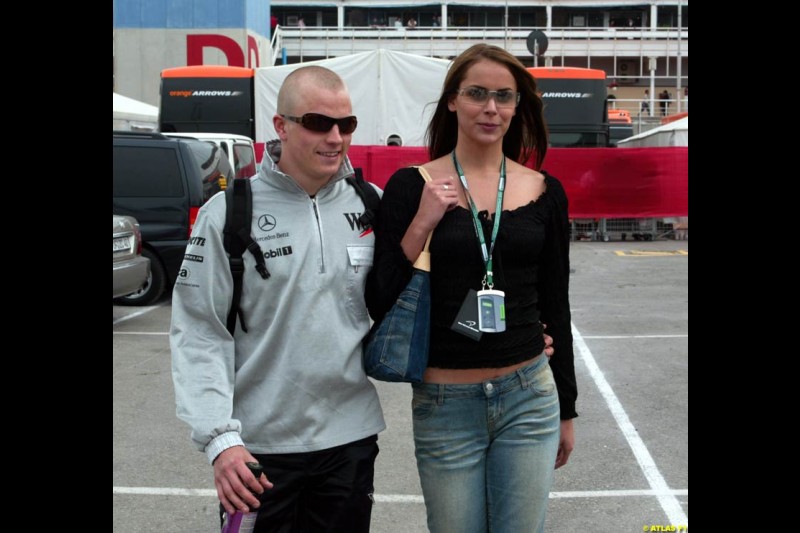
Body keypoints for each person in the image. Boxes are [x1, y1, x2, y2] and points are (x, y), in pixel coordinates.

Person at [366, 43, 577, 532]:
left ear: (516, 105)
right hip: (445, 404)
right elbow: (378, 297)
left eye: (504, 96)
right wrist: (422, 222)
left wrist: (566, 407)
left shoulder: (545, 191)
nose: (491, 107)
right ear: (453, 101)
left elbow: (556, 305)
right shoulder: (409, 185)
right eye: (477, 93)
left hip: (528, 397)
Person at [171, 65, 386, 532]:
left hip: (349, 442)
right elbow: (198, 332)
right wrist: (220, 441)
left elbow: (425, 287)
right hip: (256, 451)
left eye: (345, 124)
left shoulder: (371, 202)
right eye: (318, 123)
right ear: (281, 126)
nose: (335, 138)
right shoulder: (228, 212)